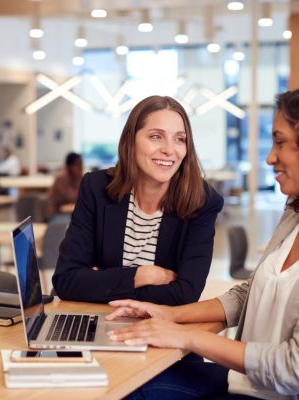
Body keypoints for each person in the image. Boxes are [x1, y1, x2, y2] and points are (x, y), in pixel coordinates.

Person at [106, 89, 299, 399]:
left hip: (265, 393)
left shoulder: (201, 202)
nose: (269, 157)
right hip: (244, 382)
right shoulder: (294, 212)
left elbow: (292, 369)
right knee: (124, 376)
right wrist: (168, 315)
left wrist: (185, 337)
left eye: (279, 142)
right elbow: (249, 293)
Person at [52, 95, 223, 305]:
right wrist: (143, 276)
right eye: (156, 136)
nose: (169, 149)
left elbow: (185, 293)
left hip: (161, 328)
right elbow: (67, 280)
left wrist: (103, 283)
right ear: (131, 140)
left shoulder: (203, 201)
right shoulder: (96, 188)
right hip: (100, 321)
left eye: (180, 139)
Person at [46, 152, 83, 217]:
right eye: (78, 164)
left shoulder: (77, 177)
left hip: (68, 212)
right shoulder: (61, 179)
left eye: (81, 164)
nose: (81, 168)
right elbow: (72, 198)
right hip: (56, 214)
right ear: (70, 166)